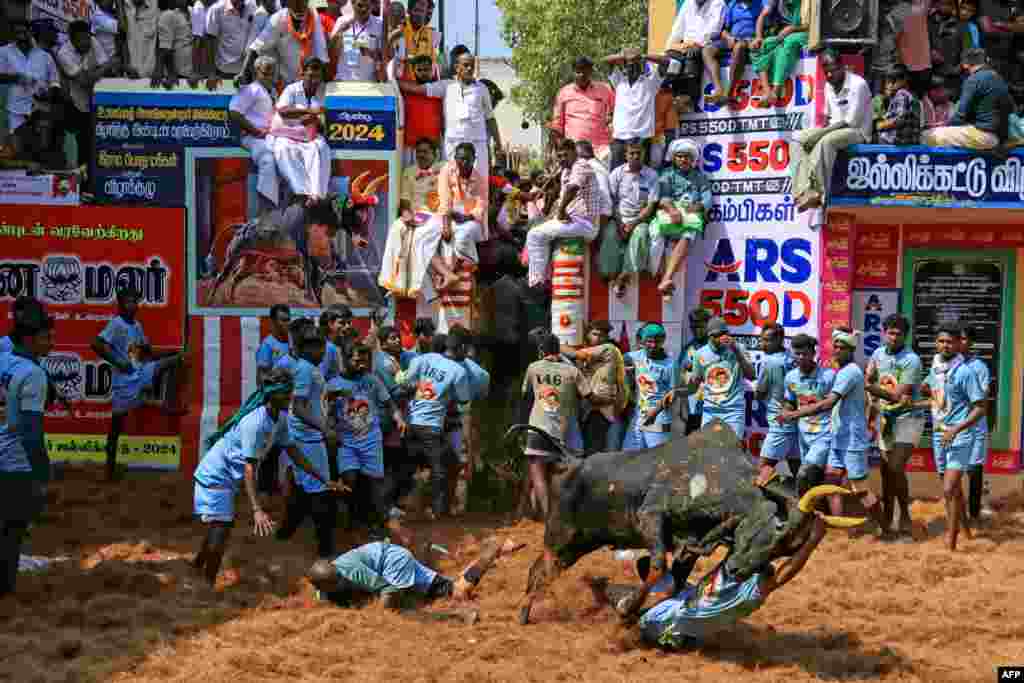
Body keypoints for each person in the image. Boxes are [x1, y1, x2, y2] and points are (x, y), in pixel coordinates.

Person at [192, 368, 345, 586]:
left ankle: (197, 566)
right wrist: (257, 510)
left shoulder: (280, 419)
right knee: (222, 527)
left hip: (226, 478)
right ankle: (206, 584)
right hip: (216, 476)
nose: (290, 397)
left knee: (220, 524)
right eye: (285, 393)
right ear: (272, 395)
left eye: (290, 392)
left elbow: (294, 452)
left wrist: (324, 480)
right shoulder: (256, 424)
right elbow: (249, 469)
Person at [608, 511, 831, 649]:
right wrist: (813, 541)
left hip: (668, 623)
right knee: (655, 578)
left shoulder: (744, 589)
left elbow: (785, 570)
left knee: (632, 585)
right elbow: (787, 571)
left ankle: (640, 593)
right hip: (682, 624)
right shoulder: (750, 594)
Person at [776, 328, 884, 523]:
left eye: (842, 347)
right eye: (835, 346)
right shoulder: (841, 372)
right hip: (839, 436)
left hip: (852, 438)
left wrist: (793, 414)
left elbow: (828, 403)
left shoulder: (849, 372)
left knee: (860, 490)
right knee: (831, 483)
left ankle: (885, 529)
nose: (837, 350)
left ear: (851, 350)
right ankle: (838, 526)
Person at [93, 288, 185, 482]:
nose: (132, 305)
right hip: (123, 383)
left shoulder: (137, 325)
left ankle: (164, 402)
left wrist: (171, 352)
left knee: (174, 360)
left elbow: (148, 354)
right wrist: (118, 362)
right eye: (128, 302)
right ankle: (109, 470)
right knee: (116, 427)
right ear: (120, 304)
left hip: (140, 373)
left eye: (135, 301)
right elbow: (96, 344)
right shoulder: (116, 324)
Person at [307, 535, 523, 613]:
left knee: (458, 593)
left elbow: (386, 590)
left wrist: (376, 619)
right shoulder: (325, 582)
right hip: (388, 556)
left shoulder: (353, 573)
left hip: (393, 562)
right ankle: (493, 550)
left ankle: (493, 550)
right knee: (453, 586)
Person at [0, 300, 53, 596]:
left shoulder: (3, 359)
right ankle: (5, 595)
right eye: (47, 337)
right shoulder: (33, 374)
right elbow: (31, 433)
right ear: (31, 339)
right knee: (12, 532)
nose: (52, 342)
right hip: (16, 464)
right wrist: (41, 474)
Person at [327, 342, 406, 537]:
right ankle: (353, 520)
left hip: (371, 440)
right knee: (350, 479)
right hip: (347, 443)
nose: (361, 364)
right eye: (356, 360)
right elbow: (325, 413)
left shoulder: (372, 380)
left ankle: (375, 525)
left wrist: (398, 418)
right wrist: (330, 427)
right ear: (345, 360)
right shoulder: (332, 384)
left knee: (374, 484)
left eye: (364, 360)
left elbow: (389, 403)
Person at [275, 325, 341, 557]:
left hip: (309, 436)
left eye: (323, 345)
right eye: (318, 346)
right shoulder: (304, 369)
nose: (323, 350)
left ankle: (284, 534)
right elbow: (299, 407)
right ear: (305, 348)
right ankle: (326, 550)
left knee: (305, 492)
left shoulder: (310, 368)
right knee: (320, 492)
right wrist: (325, 428)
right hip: (308, 439)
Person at [864, 313, 924, 540]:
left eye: (899, 334)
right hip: (884, 421)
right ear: (883, 332)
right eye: (890, 332)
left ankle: (905, 515)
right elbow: (871, 380)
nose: (894, 337)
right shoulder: (878, 353)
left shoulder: (912, 360)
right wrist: (871, 417)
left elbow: (895, 396)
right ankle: (888, 520)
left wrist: (867, 385)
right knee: (887, 472)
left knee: (896, 467)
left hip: (908, 419)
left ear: (906, 336)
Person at [927, 324, 986, 550]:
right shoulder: (936, 368)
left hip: (960, 436)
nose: (945, 345)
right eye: (941, 341)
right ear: (936, 343)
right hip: (938, 435)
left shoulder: (966, 371)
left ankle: (950, 543)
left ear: (958, 344)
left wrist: (956, 429)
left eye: (949, 342)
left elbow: (980, 408)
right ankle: (966, 531)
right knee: (954, 490)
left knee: (949, 488)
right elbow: (937, 399)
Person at [399, 332, 471, 518]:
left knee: (414, 465)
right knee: (441, 469)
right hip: (431, 427)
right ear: (461, 348)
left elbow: (405, 382)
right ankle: (437, 512)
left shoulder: (424, 359)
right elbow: (464, 401)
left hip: (411, 422)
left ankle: (405, 504)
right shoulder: (458, 371)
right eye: (468, 349)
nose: (469, 353)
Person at [397, 50, 502, 176]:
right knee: (452, 181)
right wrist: (389, 81)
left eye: (472, 66)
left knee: (478, 182)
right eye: (466, 65)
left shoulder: (482, 89)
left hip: (477, 144)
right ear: (457, 67)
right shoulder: (446, 86)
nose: (469, 69)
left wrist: (498, 143)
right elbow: (417, 89)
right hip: (453, 144)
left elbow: (490, 118)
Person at [790, 50, 872, 212]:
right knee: (798, 140)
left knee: (825, 141)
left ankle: (820, 193)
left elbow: (851, 122)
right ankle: (802, 192)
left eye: (832, 70)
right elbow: (827, 117)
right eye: (825, 71)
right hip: (833, 129)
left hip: (857, 131)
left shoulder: (858, 84)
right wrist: (817, 132)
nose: (828, 75)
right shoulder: (828, 85)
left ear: (842, 67)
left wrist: (820, 134)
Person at [521, 333, 591, 519]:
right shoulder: (572, 372)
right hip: (562, 433)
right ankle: (565, 514)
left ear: (541, 350)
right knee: (560, 474)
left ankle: (547, 516)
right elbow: (588, 396)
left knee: (538, 474)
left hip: (537, 428)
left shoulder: (533, 368)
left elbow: (526, 397)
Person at [407, 142, 488, 301]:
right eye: (459, 159)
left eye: (466, 159)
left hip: (471, 220)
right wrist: (446, 225)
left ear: (474, 159)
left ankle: (452, 271)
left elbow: (480, 207)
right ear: (455, 158)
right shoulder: (447, 170)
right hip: (447, 216)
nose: (462, 163)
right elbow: (445, 200)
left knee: (462, 235)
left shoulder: (480, 179)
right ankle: (446, 275)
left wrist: (467, 217)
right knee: (419, 236)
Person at [525, 139, 601, 290]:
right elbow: (562, 193)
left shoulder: (581, 165)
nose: (561, 160)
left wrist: (560, 211)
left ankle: (536, 283)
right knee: (538, 228)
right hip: (574, 222)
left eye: (565, 155)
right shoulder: (567, 170)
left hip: (584, 223)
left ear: (574, 152)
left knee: (534, 235)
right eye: (559, 157)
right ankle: (543, 278)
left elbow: (572, 188)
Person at [649, 138, 712, 300]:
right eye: (680, 156)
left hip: (689, 218)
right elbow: (661, 198)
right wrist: (673, 210)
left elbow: (707, 200)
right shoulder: (667, 175)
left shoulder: (700, 177)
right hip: (669, 216)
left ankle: (666, 279)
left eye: (688, 157)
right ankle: (660, 280)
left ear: (693, 160)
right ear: (674, 158)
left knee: (687, 236)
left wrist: (697, 207)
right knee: (656, 239)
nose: (684, 160)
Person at [57, 20, 119, 182]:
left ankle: (98, 180)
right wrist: (103, 69)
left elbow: (108, 69)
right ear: (71, 39)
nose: (86, 43)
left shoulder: (92, 41)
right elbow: (84, 81)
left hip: (97, 102)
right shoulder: (64, 54)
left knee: (99, 145)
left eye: (87, 38)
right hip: (76, 104)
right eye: (81, 40)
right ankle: (83, 185)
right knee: (83, 148)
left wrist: (100, 70)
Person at [380, 137, 442, 297]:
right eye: (418, 152)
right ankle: (393, 283)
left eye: (425, 152)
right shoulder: (409, 171)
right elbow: (405, 199)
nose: (421, 155)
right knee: (396, 228)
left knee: (417, 237)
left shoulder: (444, 169)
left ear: (435, 154)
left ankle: (417, 286)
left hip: (435, 215)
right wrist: (407, 216)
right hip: (414, 214)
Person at [599, 139, 661, 298]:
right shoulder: (617, 173)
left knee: (641, 235)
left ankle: (624, 277)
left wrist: (633, 223)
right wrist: (620, 223)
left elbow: (651, 206)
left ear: (643, 155)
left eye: (638, 153)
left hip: (640, 220)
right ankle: (609, 274)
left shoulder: (652, 175)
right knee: (610, 234)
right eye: (631, 153)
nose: (635, 156)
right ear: (625, 155)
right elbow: (610, 201)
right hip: (619, 218)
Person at [922, 48, 1014, 150]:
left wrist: (940, 126)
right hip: (1001, 137)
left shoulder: (973, 80)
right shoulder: (998, 77)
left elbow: (960, 117)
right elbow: (1010, 108)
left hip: (984, 137)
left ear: (965, 64)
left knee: (927, 135)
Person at [778, 334, 835, 495]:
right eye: (797, 353)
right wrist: (785, 412)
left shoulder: (829, 376)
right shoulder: (790, 377)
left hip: (825, 435)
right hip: (803, 435)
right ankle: (814, 515)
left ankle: (802, 510)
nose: (801, 357)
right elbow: (790, 401)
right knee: (813, 480)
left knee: (803, 473)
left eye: (805, 353)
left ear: (813, 354)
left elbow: (835, 403)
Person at [271, 56, 332, 204]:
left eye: (317, 77)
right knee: (282, 149)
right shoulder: (291, 89)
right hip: (288, 133)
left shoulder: (324, 91)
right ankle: (302, 193)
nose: (314, 80)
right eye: (311, 76)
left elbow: (324, 123)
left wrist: (316, 120)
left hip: (310, 135)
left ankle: (317, 195)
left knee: (320, 149)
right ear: (302, 74)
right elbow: (283, 111)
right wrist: (308, 112)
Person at [561, 321, 628, 454]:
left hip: (605, 410)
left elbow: (575, 354)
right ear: (587, 335)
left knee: (603, 456)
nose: (598, 338)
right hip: (589, 411)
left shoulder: (609, 349)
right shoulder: (588, 357)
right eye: (595, 334)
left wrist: (554, 343)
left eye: (602, 335)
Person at [603, 48, 670, 171]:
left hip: (642, 138)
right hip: (620, 138)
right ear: (624, 67)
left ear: (642, 66)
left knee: (643, 176)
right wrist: (625, 55)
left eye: (636, 64)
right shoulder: (618, 81)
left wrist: (642, 56)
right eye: (629, 65)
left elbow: (666, 61)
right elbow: (606, 61)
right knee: (616, 174)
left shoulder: (651, 83)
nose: (632, 67)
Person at [228, 55, 281, 212]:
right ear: (256, 72)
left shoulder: (272, 92)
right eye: (265, 73)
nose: (269, 77)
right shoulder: (251, 89)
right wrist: (256, 131)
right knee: (268, 159)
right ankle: (265, 208)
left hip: (270, 137)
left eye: (272, 73)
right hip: (253, 138)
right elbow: (234, 112)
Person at [689, 317, 755, 440]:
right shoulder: (700, 354)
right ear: (710, 336)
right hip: (710, 411)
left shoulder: (738, 348)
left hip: (734, 412)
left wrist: (736, 351)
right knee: (709, 452)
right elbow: (694, 384)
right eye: (718, 335)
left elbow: (751, 376)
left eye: (725, 333)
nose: (722, 337)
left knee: (733, 452)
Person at [241, 0, 329, 87]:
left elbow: (320, 51)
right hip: (285, 80)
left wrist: (322, 82)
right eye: (295, 4)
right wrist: (243, 73)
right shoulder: (278, 19)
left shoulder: (313, 16)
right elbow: (255, 48)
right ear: (287, 4)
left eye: (303, 2)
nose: (299, 7)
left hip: (309, 78)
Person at [548, 56, 616, 163]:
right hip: (575, 151)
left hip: (601, 149)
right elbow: (557, 125)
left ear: (590, 71)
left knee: (603, 179)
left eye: (585, 71)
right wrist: (553, 151)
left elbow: (618, 112)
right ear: (573, 72)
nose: (581, 75)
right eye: (578, 71)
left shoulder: (605, 89)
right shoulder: (564, 93)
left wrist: (611, 124)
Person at [662, 0, 727, 110]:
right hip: (687, 44)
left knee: (693, 52)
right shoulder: (687, 4)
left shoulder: (718, 3)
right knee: (670, 58)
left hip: (710, 42)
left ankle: (691, 98)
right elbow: (677, 30)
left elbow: (714, 30)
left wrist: (694, 43)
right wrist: (672, 46)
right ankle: (677, 95)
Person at [0, 20, 61, 133]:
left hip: (41, 110)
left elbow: (55, 81)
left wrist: (50, 93)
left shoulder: (45, 56)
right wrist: (17, 78)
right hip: (15, 111)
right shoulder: (4, 52)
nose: (21, 35)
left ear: (30, 32)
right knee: (16, 147)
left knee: (42, 147)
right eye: (17, 32)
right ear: (12, 34)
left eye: (24, 31)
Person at [754, 322, 798, 481]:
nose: (763, 344)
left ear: (779, 339)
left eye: (767, 340)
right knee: (798, 469)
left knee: (763, 468)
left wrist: (754, 389)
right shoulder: (792, 358)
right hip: (796, 422)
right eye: (761, 340)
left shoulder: (770, 362)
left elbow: (759, 393)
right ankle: (807, 503)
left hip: (780, 423)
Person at [625, 323, 679, 449]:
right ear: (642, 341)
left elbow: (673, 395)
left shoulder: (670, 364)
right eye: (649, 341)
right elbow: (620, 359)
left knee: (657, 459)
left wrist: (654, 413)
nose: (653, 346)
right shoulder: (635, 357)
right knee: (630, 457)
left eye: (657, 342)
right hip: (638, 417)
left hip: (659, 418)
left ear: (663, 341)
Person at [704, 0, 769, 104]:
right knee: (707, 50)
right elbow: (723, 29)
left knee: (739, 47)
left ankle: (729, 93)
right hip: (732, 39)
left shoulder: (760, 4)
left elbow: (766, 27)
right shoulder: (732, 5)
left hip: (749, 41)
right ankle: (718, 90)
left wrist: (758, 38)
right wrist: (729, 37)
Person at [750, 0, 808, 108]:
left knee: (786, 44)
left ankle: (776, 91)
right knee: (758, 47)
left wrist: (792, 29)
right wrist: (758, 37)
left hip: (803, 32)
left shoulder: (807, 2)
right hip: (783, 34)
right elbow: (762, 15)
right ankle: (767, 91)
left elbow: (812, 25)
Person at [961, 326, 991, 520]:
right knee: (949, 473)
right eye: (958, 338)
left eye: (964, 339)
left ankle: (973, 515)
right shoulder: (944, 363)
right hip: (950, 428)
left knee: (974, 470)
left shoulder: (979, 367)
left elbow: (983, 397)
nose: (960, 342)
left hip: (974, 426)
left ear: (971, 342)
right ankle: (956, 515)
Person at [394, 55, 443, 166]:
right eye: (419, 70)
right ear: (413, 70)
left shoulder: (439, 88)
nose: (423, 73)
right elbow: (392, 78)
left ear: (432, 70)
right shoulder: (405, 87)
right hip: (410, 147)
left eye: (426, 69)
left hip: (432, 147)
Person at [205, 0, 261, 81]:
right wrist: (211, 72)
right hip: (223, 71)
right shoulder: (216, 9)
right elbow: (210, 41)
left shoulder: (252, 6)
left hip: (247, 71)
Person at [389, 0, 443, 83]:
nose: (419, 14)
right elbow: (389, 54)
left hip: (421, 86)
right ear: (409, 11)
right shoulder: (400, 26)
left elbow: (433, 67)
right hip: (399, 85)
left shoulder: (430, 34)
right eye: (416, 10)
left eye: (422, 11)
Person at [329, 0, 383, 81]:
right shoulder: (342, 21)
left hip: (368, 82)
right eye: (360, 5)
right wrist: (340, 31)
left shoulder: (379, 24)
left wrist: (370, 53)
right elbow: (330, 50)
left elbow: (384, 56)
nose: (363, 9)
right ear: (352, 3)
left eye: (367, 6)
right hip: (343, 80)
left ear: (372, 5)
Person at [678, 308, 711, 434]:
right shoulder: (687, 349)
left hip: (712, 409)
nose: (696, 330)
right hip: (692, 409)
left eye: (700, 326)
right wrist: (682, 404)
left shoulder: (716, 349)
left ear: (708, 325)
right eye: (693, 327)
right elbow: (681, 378)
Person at [875, 64, 922, 146]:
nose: (890, 84)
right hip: (909, 140)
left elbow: (899, 119)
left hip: (898, 141)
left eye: (893, 81)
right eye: (888, 81)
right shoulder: (912, 95)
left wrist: (882, 125)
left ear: (904, 80)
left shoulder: (902, 94)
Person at [155, 0, 197, 88]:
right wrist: (171, 72)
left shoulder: (194, 11)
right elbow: (165, 48)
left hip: (193, 75)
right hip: (176, 76)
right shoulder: (167, 15)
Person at [256, 304, 292, 387]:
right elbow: (261, 379)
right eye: (283, 320)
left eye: (288, 320)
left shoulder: (294, 341)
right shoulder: (267, 345)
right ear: (273, 322)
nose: (287, 323)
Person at [124, 0, 162, 79]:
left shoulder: (155, 6)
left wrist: (158, 68)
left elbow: (160, 40)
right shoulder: (124, 7)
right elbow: (122, 39)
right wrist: (126, 65)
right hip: (130, 75)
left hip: (151, 75)